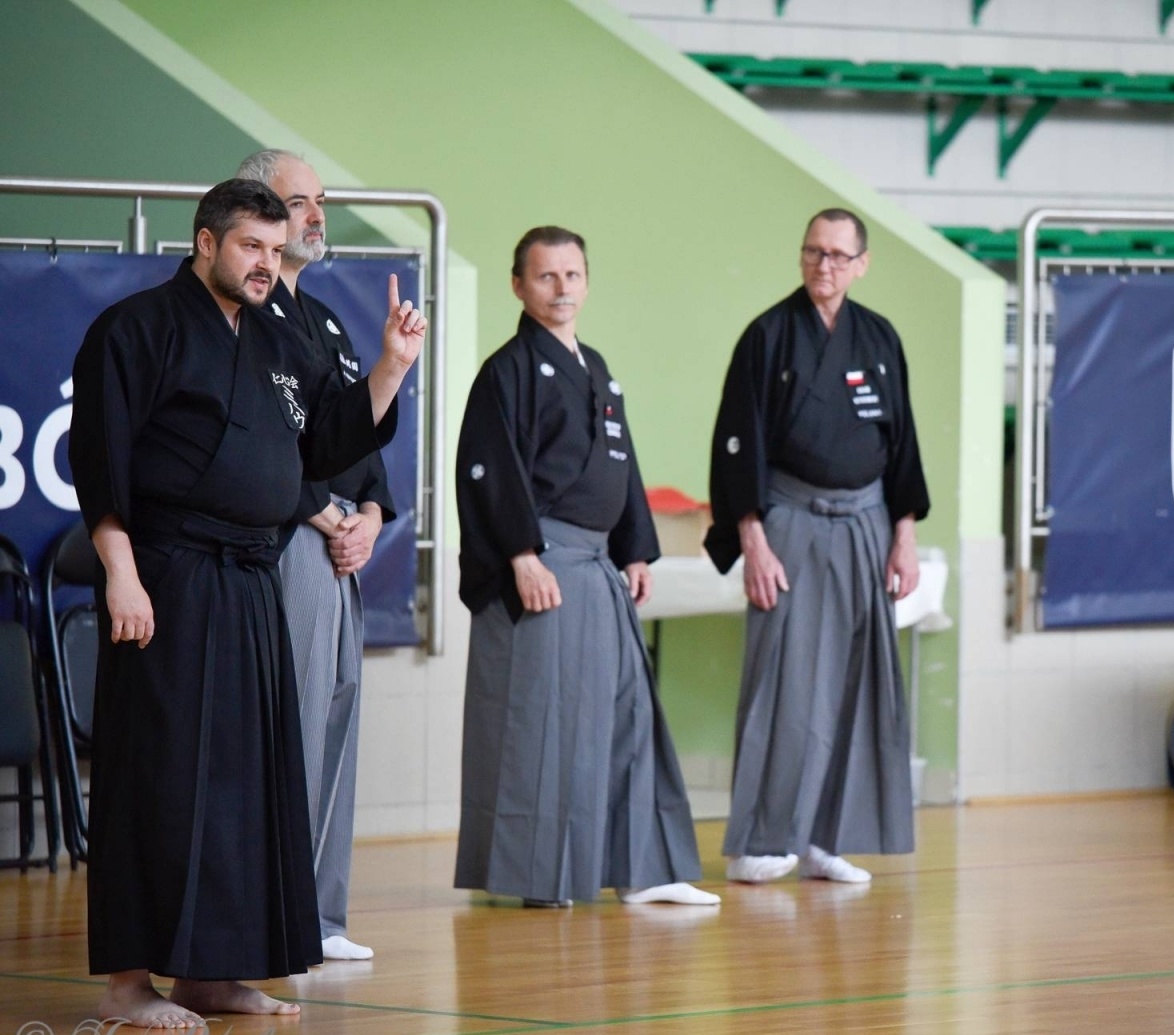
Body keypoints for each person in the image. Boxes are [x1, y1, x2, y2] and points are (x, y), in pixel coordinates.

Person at [69, 178, 425, 1028]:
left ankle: (213, 972)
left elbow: (331, 440)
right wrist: (120, 570)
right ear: (205, 243)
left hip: (250, 578)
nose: (266, 263)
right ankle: (128, 983)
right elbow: (102, 460)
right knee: (158, 774)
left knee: (245, 781)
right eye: (250, 247)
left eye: (275, 249)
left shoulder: (274, 337)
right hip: (168, 574)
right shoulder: (136, 329)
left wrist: (391, 368)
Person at [453, 226, 716, 909]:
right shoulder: (507, 371)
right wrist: (521, 556)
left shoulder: (596, 365)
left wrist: (635, 549)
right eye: (546, 276)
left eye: (572, 275)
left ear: (587, 282)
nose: (561, 288)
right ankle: (543, 877)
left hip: (599, 565)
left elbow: (621, 464)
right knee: (542, 723)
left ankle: (643, 870)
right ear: (518, 285)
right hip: (545, 562)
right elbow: (488, 471)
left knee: (629, 716)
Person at [707, 208, 929, 886]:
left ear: (861, 264)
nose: (822, 265)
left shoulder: (880, 338)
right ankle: (762, 838)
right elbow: (735, 444)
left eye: (837, 255)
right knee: (786, 684)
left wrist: (905, 535)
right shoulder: (768, 336)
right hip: (791, 523)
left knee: (857, 687)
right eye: (812, 252)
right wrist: (754, 538)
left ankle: (828, 837)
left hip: (866, 522)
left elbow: (902, 446)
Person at [237, 149, 393, 962]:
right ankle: (286, 914)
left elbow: (353, 440)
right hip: (291, 541)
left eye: (320, 200)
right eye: (298, 201)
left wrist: (368, 511)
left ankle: (325, 913)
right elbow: (267, 445)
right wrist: (325, 513)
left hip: (339, 541)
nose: (314, 215)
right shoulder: (247, 317)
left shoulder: (325, 318)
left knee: (336, 712)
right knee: (294, 723)